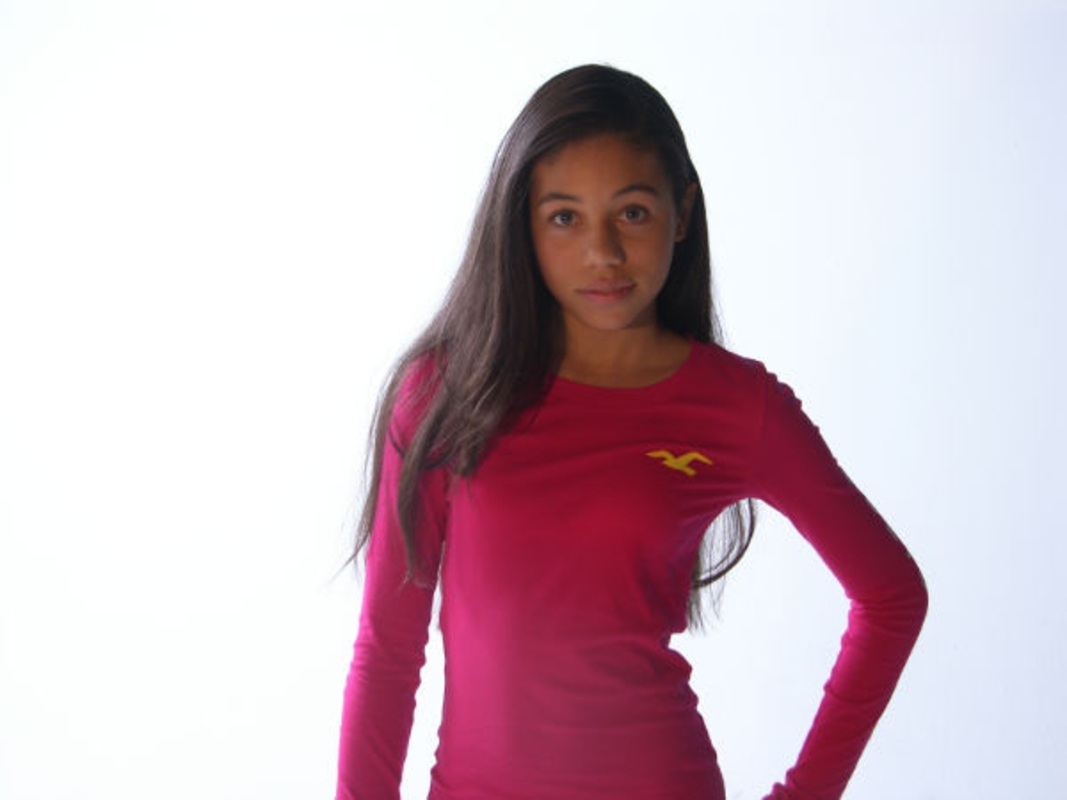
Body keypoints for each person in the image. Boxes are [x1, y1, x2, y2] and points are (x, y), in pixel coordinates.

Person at [335, 64, 927, 800]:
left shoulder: (740, 407)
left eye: (633, 213)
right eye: (564, 217)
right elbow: (388, 650)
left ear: (682, 212)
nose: (603, 253)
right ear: (520, 222)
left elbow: (891, 595)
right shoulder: (444, 392)